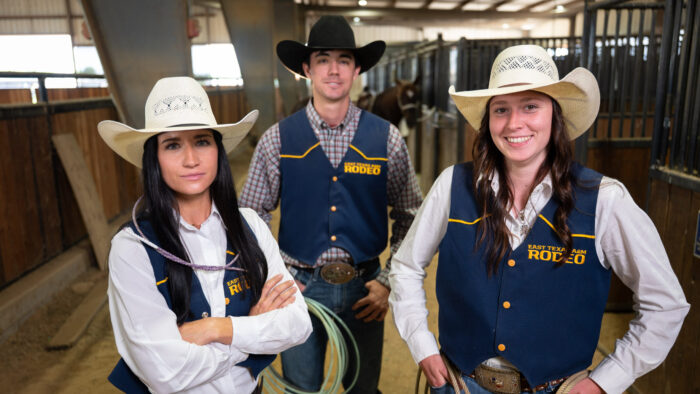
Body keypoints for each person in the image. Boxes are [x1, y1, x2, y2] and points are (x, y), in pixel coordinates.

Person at [389, 45, 690, 394]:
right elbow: (406, 267)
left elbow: (665, 304)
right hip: (459, 384)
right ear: (489, 122)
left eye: (530, 106)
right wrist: (421, 342)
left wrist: (608, 380)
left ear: (554, 116)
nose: (514, 123)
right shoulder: (452, 186)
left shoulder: (605, 200)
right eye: (501, 109)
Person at [240, 15, 422, 393]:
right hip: (300, 289)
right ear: (307, 68)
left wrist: (387, 281)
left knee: (362, 388)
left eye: (344, 59)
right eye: (323, 59)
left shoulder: (386, 139)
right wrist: (275, 277)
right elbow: (250, 219)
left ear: (356, 69)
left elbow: (411, 217)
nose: (334, 69)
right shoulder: (277, 141)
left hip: (365, 288)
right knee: (302, 387)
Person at [99, 76, 312, 394]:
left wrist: (215, 328)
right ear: (153, 158)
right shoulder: (132, 248)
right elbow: (165, 373)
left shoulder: (249, 226)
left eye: (201, 141)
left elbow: (297, 324)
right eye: (172, 145)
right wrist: (248, 334)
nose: (191, 159)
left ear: (217, 150)